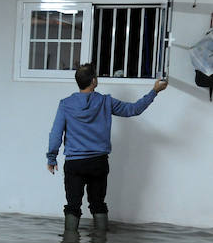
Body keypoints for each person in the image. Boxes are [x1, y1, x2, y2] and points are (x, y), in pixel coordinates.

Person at [47, 63, 167, 231]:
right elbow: (134, 109)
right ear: (94, 81)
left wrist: (51, 157)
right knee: (98, 204)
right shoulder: (106, 102)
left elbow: (55, 133)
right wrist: (154, 91)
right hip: (98, 162)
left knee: (73, 206)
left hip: (75, 163)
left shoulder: (65, 104)